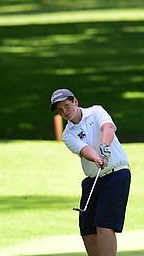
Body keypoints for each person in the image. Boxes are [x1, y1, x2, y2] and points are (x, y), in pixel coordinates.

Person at [50, 88, 131, 256]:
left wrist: (104, 148)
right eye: (60, 109)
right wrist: (97, 158)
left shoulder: (96, 111)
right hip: (94, 179)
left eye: (66, 105)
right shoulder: (68, 134)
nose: (65, 111)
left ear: (75, 101)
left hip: (116, 174)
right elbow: (85, 150)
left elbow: (108, 128)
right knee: (87, 228)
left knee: (104, 224)